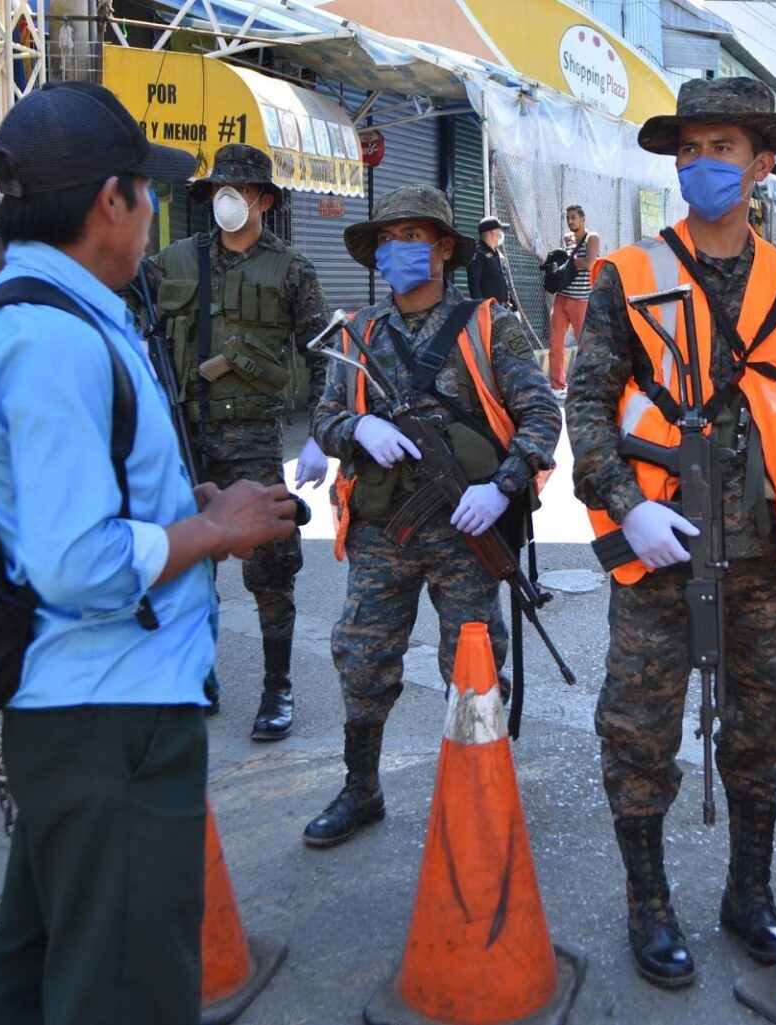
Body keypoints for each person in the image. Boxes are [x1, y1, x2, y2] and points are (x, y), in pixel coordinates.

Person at [0, 82, 298, 1024]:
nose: (157, 211)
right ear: (112, 199)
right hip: (108, 714)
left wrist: (191, 501)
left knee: (47, 979)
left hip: (88, 709)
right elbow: (76, 558)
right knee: (125, 996)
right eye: (146, 189)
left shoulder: (68, 314)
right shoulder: (53, 338)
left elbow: (76, 497)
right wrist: (215, 532)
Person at [566, 76, 776, 989]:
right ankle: (649, 903)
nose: (704, 165)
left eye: (724, 149)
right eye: (690, 149)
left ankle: (749, 892)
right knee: (639, 728)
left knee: (763, 728)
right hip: (659, 551)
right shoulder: (626, 275)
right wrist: (628, 502)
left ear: (763, 164)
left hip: (769, 557)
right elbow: (585, 408)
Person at [305, 185, 560, 848]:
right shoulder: (357, 333)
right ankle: (360, 788)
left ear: (445, 248)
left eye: (412, 238)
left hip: (467, 530)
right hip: (382, 530)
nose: (397, 251)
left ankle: (481, 789)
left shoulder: (489, 324)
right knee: (361, 657)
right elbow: (325, 420)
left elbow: (541, 414)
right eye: (387, 241)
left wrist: (504, 486)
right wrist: (356, 425)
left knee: (473, 664)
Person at [146, 144, 331, 741]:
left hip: (252, 437)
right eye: (219, 188)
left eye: (239, 189)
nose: (227, 198)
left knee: (272, 562)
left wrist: (322, 435)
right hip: (182, 433)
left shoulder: (293, 269)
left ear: (263, 200)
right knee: (185, 556)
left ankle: (278, 687)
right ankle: (197, 672)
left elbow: (325, 354)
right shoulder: (173, 261)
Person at [548, 204, 598, 393]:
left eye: (574, 217)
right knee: (555, 342)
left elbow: (589, 264)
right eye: (568, 218)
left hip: (581, 299)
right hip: (562, 297)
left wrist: (571, 261)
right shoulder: (567, 238)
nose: (570, 221)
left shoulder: (592, 238)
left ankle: (589, 383)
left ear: (583, 218)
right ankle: (557, 384)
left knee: (584, 343)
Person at [467, 215, 515, 309]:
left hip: (504, 308)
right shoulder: (478, 253)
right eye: (500, 231)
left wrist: (515, 307)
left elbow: (505, 282)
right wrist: (481, 309)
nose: (501, 234)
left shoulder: (497, 254)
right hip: (490, 310)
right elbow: (474, 285)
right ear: (493, 232)